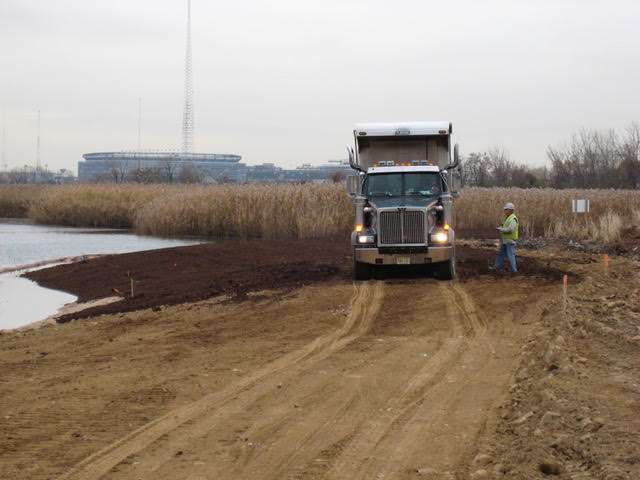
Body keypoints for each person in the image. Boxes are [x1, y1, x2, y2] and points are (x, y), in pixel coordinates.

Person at [493, 202, 519, 273]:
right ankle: (497, 267)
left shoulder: (513, 219)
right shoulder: (508, 218)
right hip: (505, 240)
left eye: (506, 210)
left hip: (510, 241)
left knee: (511, 256)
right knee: (500, 254)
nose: (504, 211)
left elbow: (510, 229)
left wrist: (501, 229)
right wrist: (502, 227)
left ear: (510, 210)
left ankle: (514, 271)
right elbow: (506, 227)